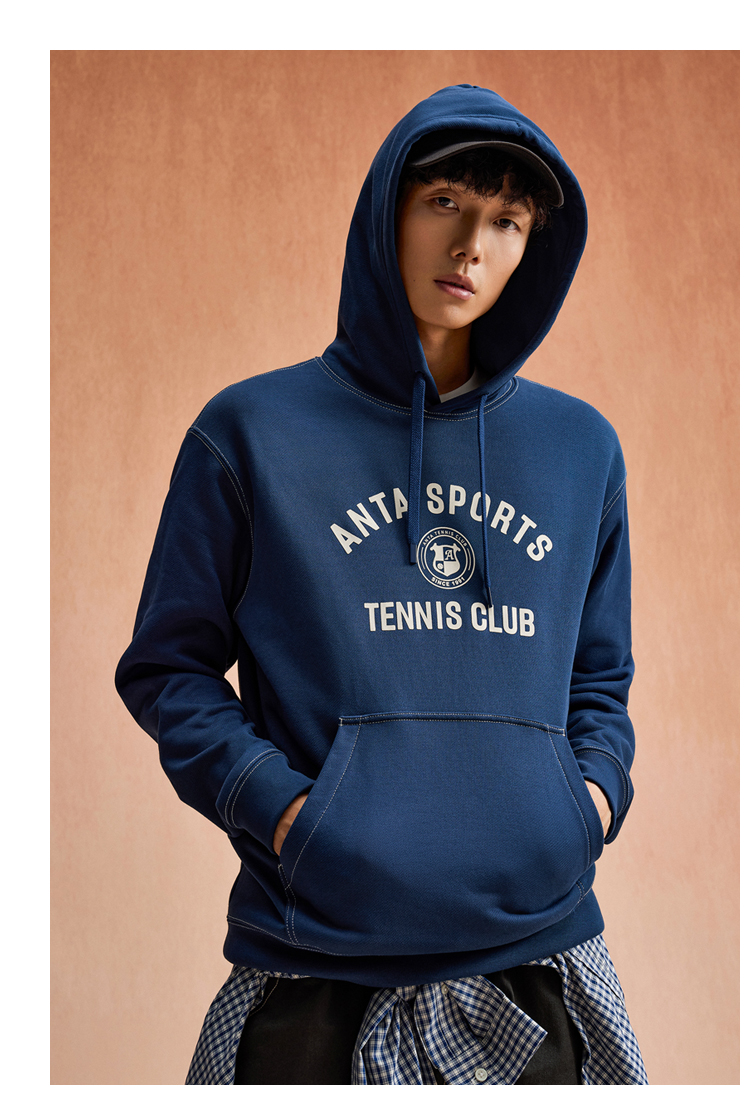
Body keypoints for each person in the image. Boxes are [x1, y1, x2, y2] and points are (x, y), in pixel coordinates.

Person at [116, 83, 648, 1085]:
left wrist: (586, 802)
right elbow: (168, 669)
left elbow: (599, 675)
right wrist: (285, 812)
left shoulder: (581, 449)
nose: (471, 246)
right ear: (385, 214)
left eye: (506, 221)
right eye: (445, 202)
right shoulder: (249, 433)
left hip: (538, 956)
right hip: (313, 966)